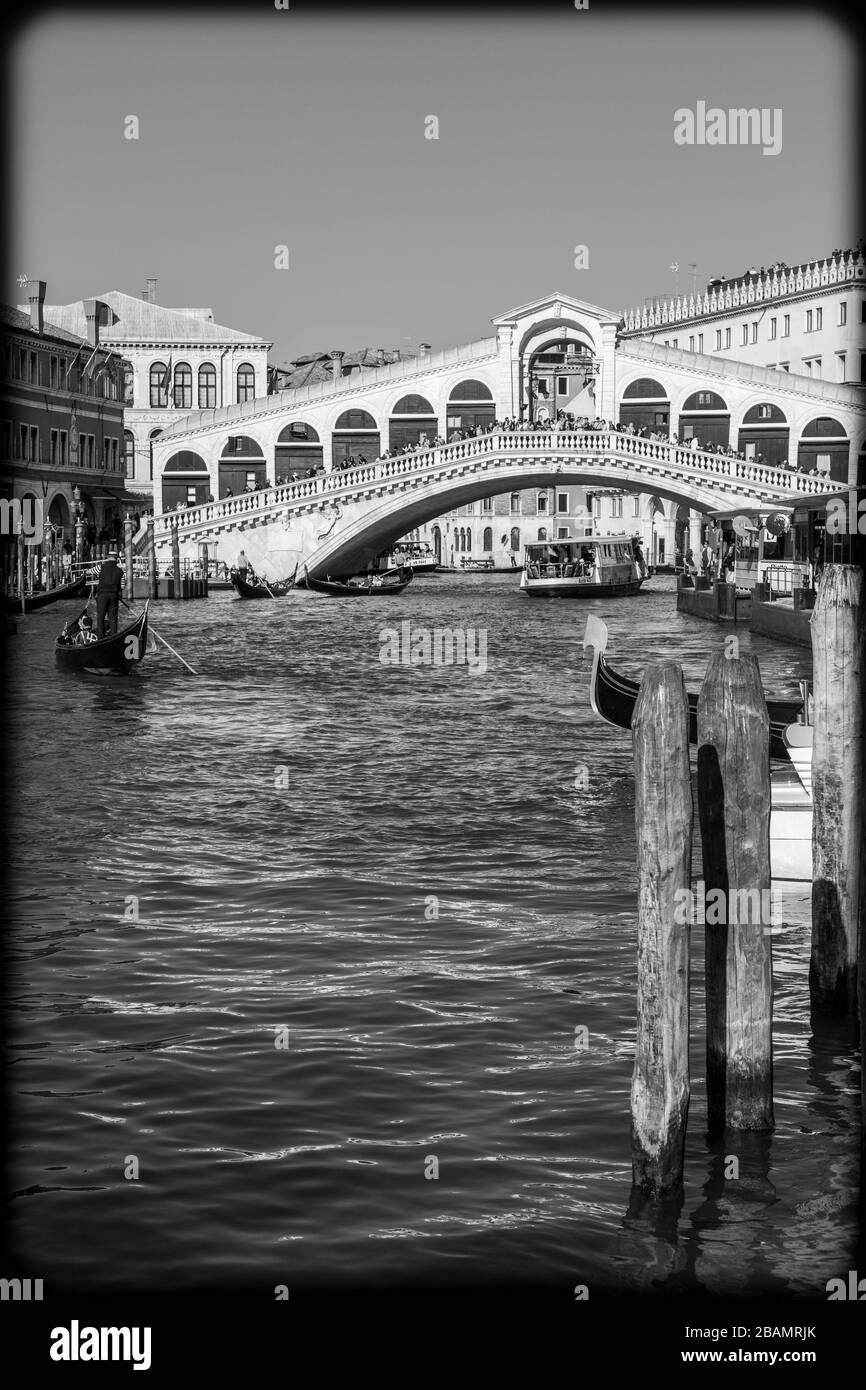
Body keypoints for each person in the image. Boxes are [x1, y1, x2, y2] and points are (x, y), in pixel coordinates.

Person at [96, 552, 124, 637]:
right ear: (116, 559)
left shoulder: (100, 567)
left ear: (108, 558)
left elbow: (89, 571)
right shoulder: (120, 571)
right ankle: (113, 636)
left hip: (102, 595)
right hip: (113, 596)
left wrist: (99, 577)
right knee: (113, 617)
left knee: (101, 616)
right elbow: (122, 586)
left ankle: (100, 637)